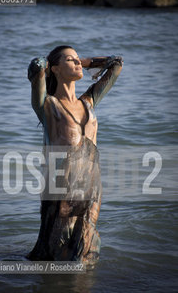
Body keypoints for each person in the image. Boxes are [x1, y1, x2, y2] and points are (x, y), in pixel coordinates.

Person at [27, 45, 123, 266]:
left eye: (78, 59)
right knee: (57, 251)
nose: (78, 62)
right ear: (56, 69)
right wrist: (50, 67)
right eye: (71, 60)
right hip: (61, 191)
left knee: (86, 251)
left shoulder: (88, 102)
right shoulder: (47, 105)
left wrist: (85, 61)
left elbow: (116, 64)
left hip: (91, 188)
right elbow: (37, 66)